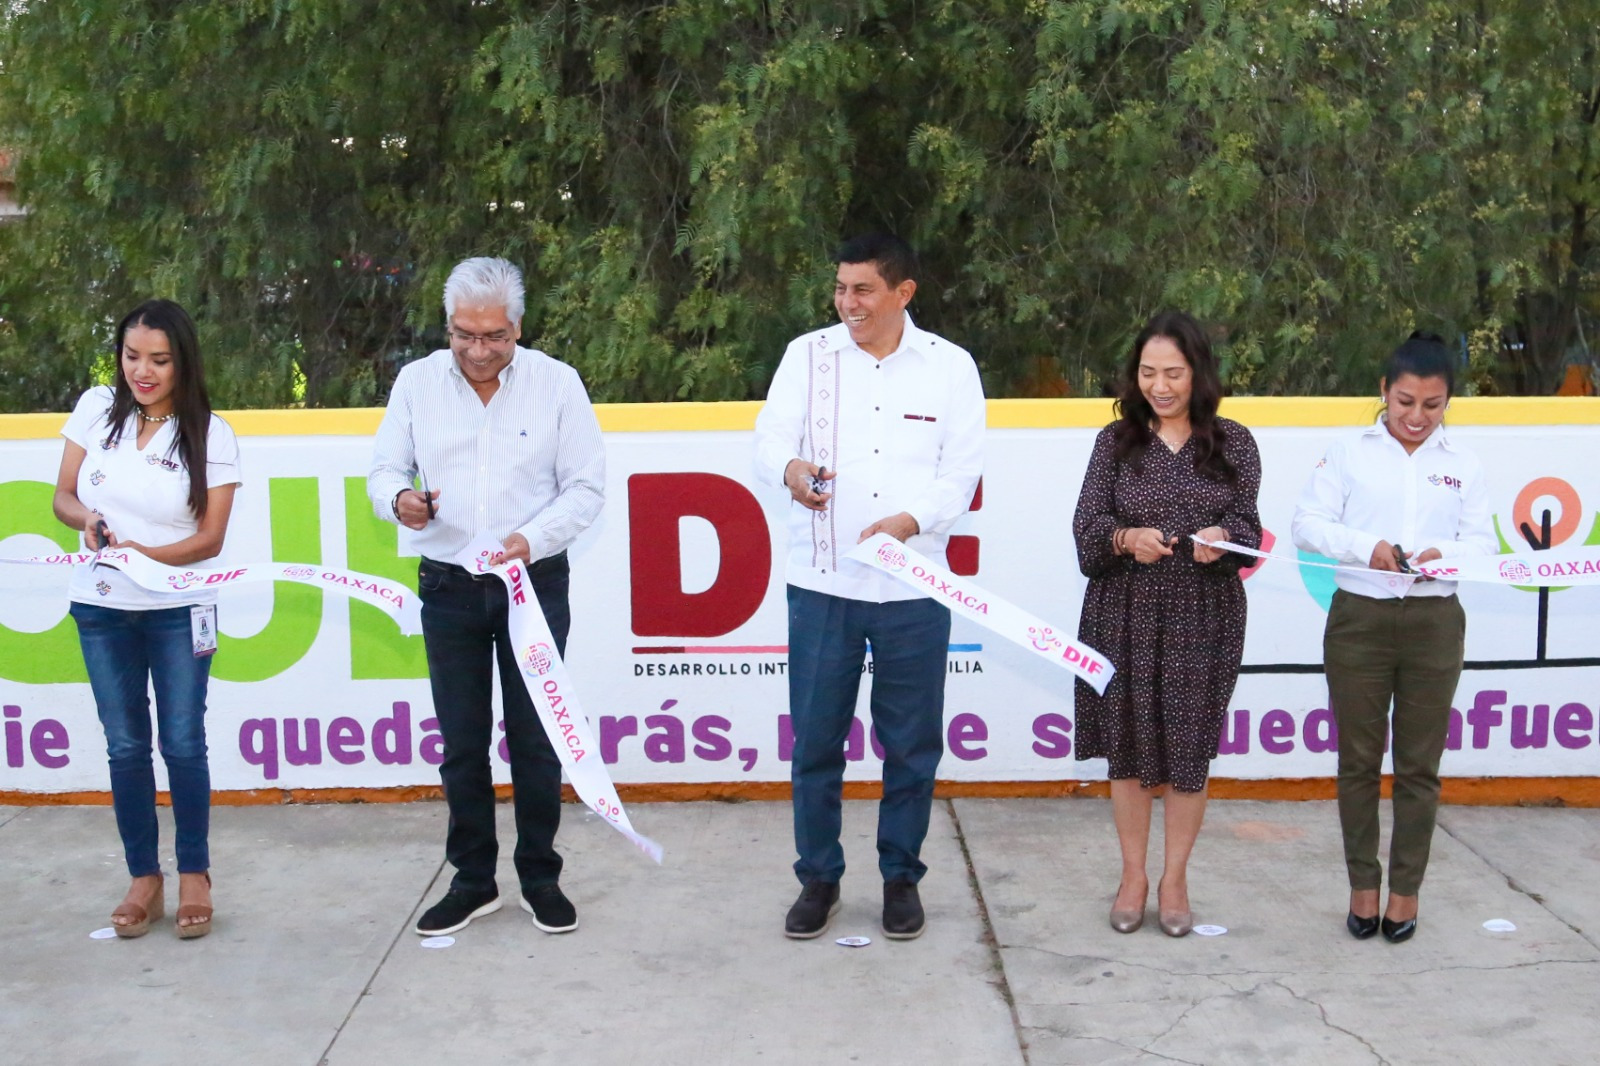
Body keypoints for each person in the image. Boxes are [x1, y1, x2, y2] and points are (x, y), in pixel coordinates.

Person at [753, 233, 985, 941]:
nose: (847, 303)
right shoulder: (807, 356)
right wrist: (791, 470)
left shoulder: (950, 367)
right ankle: (818, 878)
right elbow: (769, 439)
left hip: (914, 587)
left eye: (863, 289)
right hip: (823, 583)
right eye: (840, 288)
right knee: (816, 742)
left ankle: (900, 879)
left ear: (903, 292)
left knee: (911, 745)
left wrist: (910, 523)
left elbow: (962, 471)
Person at [369, 257, 605, 938]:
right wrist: (400, 500)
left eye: (495, 336)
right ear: (448, 326)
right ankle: (473, 880)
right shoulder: (417, 383)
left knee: (536, 739)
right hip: (448, 585)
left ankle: (540, 877)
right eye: (464, 335)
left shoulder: (557, 383)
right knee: (462, 742)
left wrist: (530, 539)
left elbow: (586, 487)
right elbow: (383, 470)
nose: (478, 351)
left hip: (533, 584)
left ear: (518, 328)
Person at [1291, 331, 1493, 943]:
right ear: (1384, 390)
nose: (1417, 417)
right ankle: (1363, 888)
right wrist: (1367, 547)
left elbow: (1483, 546)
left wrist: (1443, 556)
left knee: (1419, 767)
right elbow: (1307, 524)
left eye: (1433, 405)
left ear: (1448, 401)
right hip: (1360, 620)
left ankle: (1405, 894)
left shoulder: (1464, 465)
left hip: (1434, 623)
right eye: (1405, 402)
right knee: (1357, 761)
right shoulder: (1348, 452)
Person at [52, 299, 243, 939]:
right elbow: (63, 497)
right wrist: (87, 521)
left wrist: (143, 557)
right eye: (132, 356)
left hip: (181, 609)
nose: (143, 371)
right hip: (101, 607)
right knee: (125, 745)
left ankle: (194, 874)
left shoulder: (212, 433)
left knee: (183, 742)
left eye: (159, 359)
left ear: (182, 361)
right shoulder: (94, 409)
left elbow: (211, 538)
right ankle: (143, 878)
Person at [1071, 310, 1261, 937]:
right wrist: (1126, 538)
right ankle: (1133, 877)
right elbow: (1087, 530)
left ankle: (1175, 879)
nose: (1159, 386)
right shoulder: (1115, 441)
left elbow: (1250, 529)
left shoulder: (1233, 443)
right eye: (1148, 372)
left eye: (1173, 373)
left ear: (1198, 373)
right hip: (1122, 613)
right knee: (1126, 750)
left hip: (1203, 617)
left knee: (1188, 752)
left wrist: (1223, 537)